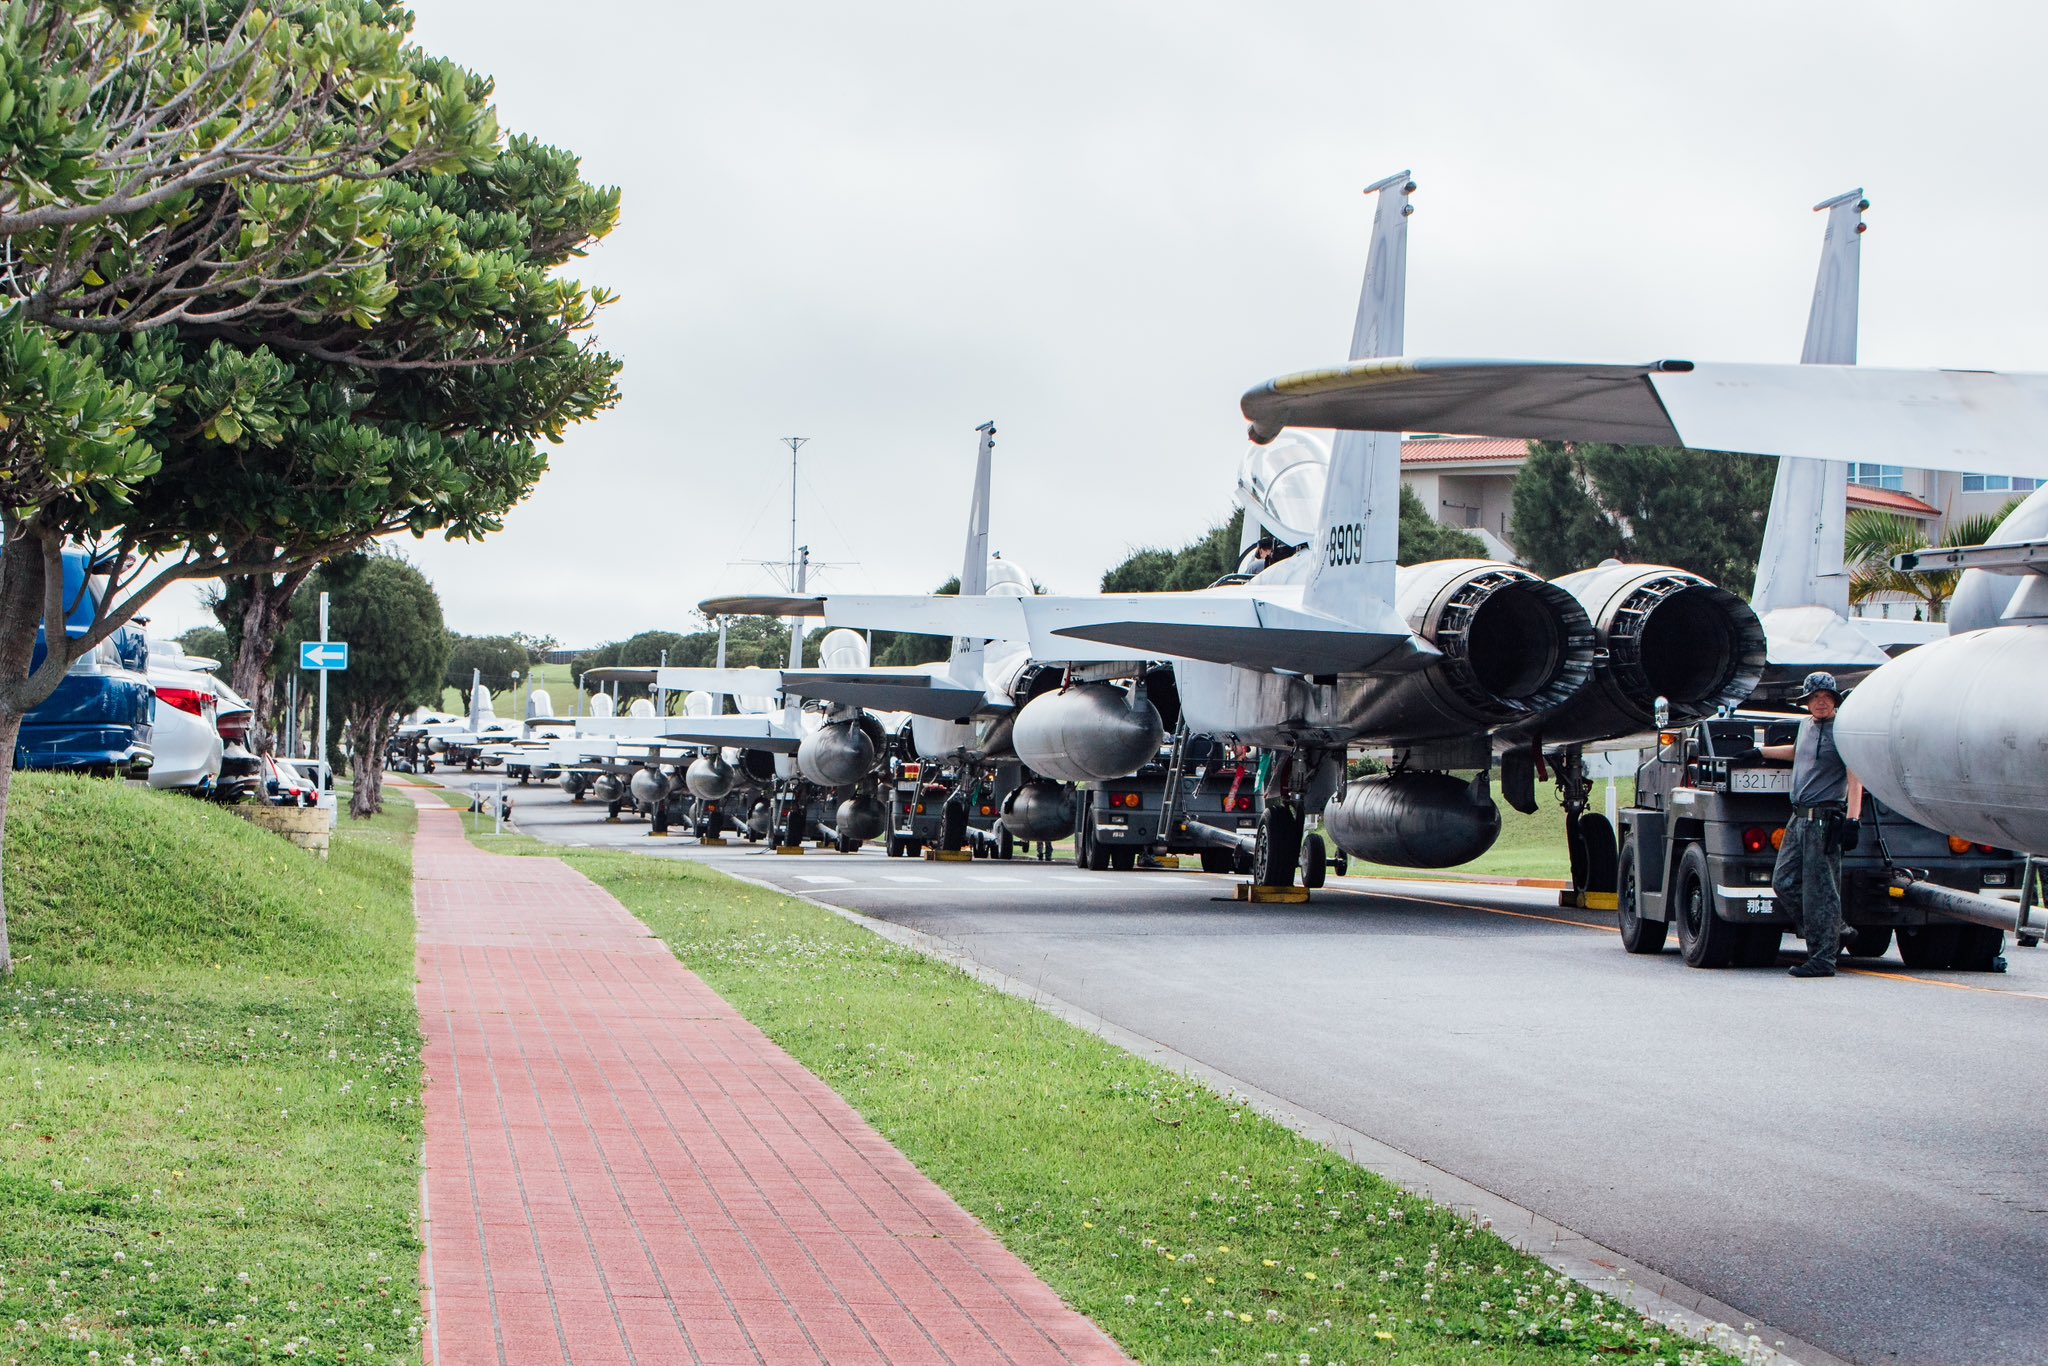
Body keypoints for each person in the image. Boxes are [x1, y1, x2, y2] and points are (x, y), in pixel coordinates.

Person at [1757, 671, 1863, 977]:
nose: (1820, 703)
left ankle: (1823, 958)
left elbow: (1856, 776)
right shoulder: (1805, 726)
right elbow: (1797, 752)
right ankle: (1835, 930)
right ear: (1806, 703)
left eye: (1826, 698)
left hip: (1824, 820)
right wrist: (1761, 751)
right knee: (1784, 882)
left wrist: (1854, 819)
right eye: (1815, 698)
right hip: (1798, 817)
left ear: (1834, 701)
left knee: (1820, 892)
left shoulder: (1843, 731)